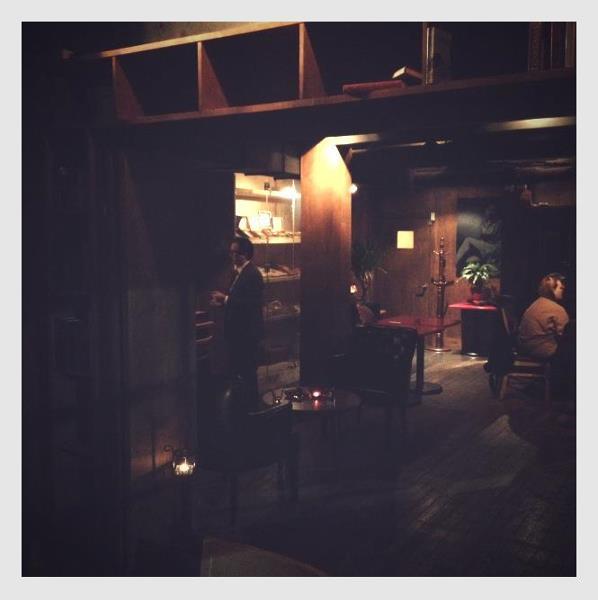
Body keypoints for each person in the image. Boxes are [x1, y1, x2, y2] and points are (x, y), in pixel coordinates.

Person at [210, 237, 264, 410]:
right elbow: (239, 301)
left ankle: (251, 410)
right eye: (231, 252)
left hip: (246, 336)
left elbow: (250, 304)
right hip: (238, 334)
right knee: (240, 373)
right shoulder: (240, 273)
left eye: (235, 252)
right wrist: (224, 303)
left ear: (244, 254)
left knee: (247, 374)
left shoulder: (252, 274)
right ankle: (243, 408)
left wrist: (226, 299)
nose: (232, 256)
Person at [517, 272, 574, 406]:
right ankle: (565, 393)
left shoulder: (537, 303)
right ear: (551, 289)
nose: (563, 290)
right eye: (560, 288)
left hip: (525, 345)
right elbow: (564, 334)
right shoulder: (556, 309)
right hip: (540, 349)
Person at [456, 203, 502, 273]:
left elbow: (490, 234)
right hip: (484, 247)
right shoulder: (485, 222)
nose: (489, 212)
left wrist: (486, 227)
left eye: (491, 210)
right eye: (488, 210)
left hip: (493, 247)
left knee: (468, 240)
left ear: (494, 212)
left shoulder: (498, 223)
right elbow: (482, 236)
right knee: (469, 260)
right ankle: (457, 267)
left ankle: (454, 262)